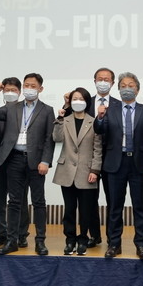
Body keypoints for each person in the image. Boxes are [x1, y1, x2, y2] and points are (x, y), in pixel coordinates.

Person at [94, 72, 143, 261]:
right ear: (118, 89)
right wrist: (99, 117)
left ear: (137, 89)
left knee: (139, 207)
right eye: (122, 86)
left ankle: (141, 244)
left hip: (138, 164)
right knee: (115, 206)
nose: (126, 88)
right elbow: (99, 130)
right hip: (115, 163)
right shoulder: (110, 109)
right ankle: (114, 244)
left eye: (130, 85)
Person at [0, 73, 55, 256]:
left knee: (38, 202)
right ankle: (12, 240)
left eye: (33, 86)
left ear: (40, 89)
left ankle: (40, 241)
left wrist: (45, 161)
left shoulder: (47, 110)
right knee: (14, 202)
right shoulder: (12, 107)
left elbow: (49, 139)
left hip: (36, 161)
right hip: (14, 158)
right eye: (26, 85)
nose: (29, 88)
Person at [52, 88, 102, 255]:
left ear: (87, 102)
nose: (78, 101)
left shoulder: (93, 121)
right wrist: (60, 117)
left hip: (86, 172)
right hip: (66, 170)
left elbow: (97, 149)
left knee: (86, 210)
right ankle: (70, 240)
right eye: (75, 99)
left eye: (81, 99)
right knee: (69, 209)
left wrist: (95, 170)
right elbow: (57, 138)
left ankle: (83, 239)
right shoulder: (64, 120)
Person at [0, 77, 31, 248]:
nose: (10, 93)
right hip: (0, 161)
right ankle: (1, 233)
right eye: (7, 90)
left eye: (14, 90)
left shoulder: (26, 112)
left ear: (20, 92)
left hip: (20, 160)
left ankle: (21, 234)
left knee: (19, 199)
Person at [86, 67, 121, 248]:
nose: (103, 82)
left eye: (107, 79)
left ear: (113, 83)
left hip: (112, 157)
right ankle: (94, 235)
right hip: (88, 157)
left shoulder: (119, 105)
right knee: (91, 198)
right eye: (100, 79)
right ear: (94, 81)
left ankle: (111, 238)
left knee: (112, 199)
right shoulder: (85, 103)